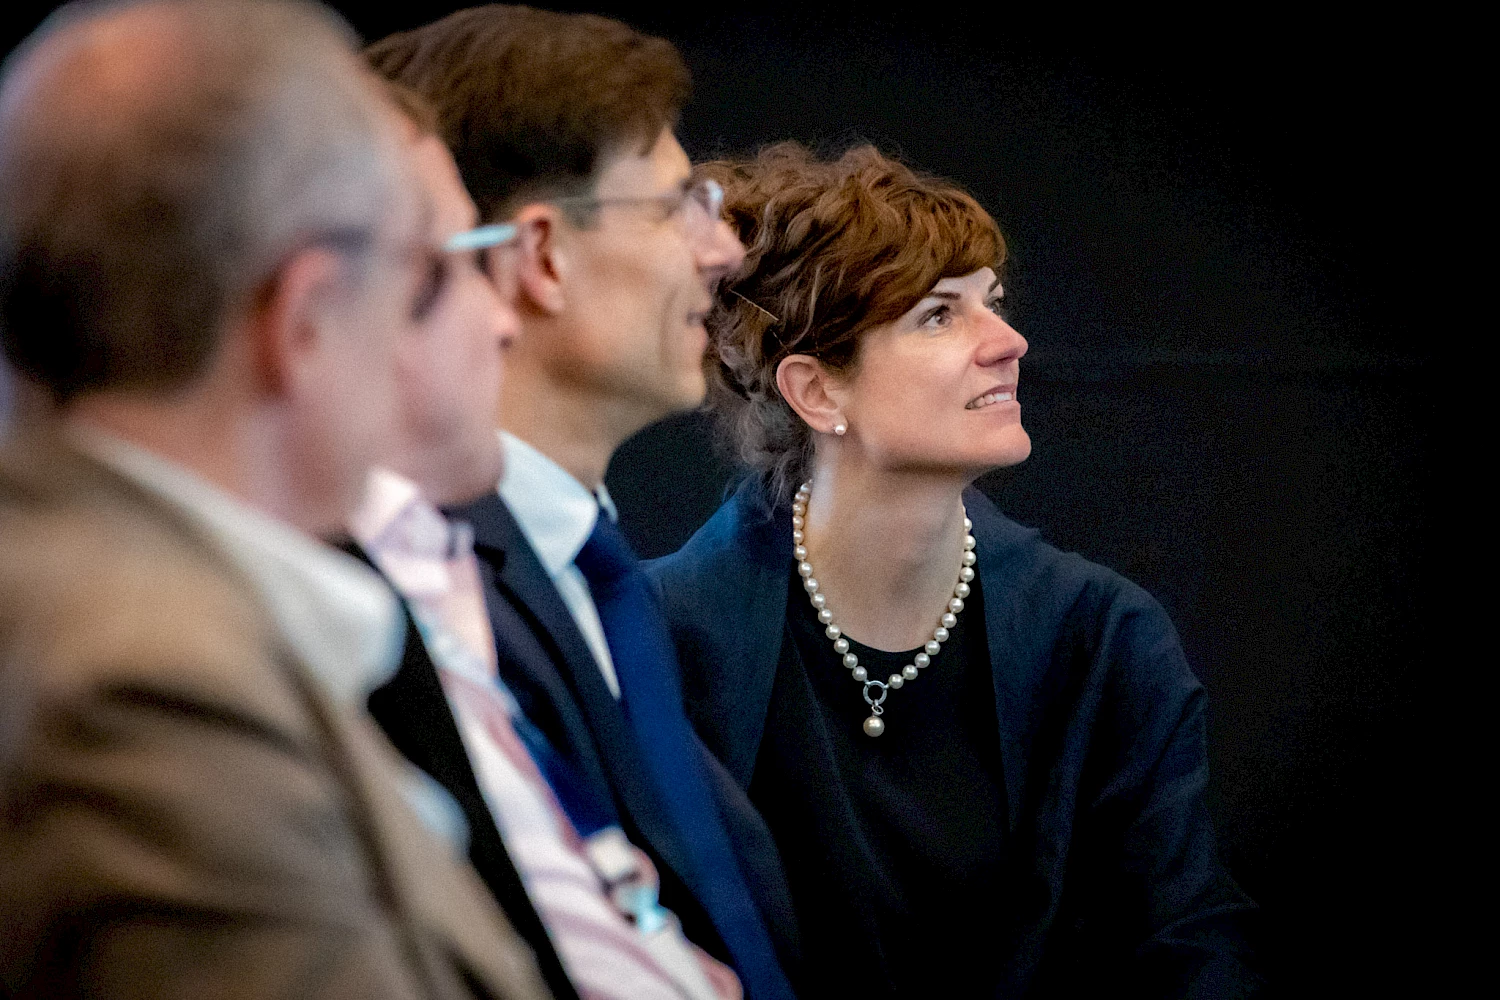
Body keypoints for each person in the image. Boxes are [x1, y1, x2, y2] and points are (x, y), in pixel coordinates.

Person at [0, 3, 549, 997]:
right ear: (305, 318)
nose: (483, 320)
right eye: (423, 276)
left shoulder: (110, 583)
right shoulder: (147, 686)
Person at [645, 143, 1264, 998]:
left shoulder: (1104, 638)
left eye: (993, 303)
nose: (1008, 343)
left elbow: (1187, 943)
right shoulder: (656, 637)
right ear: (817, 391)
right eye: (939, 315)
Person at [365, 9, 800, 1000]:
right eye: (680, 204)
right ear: (543, 257)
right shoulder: (419, 596)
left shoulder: (594, 569)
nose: (725, 248)